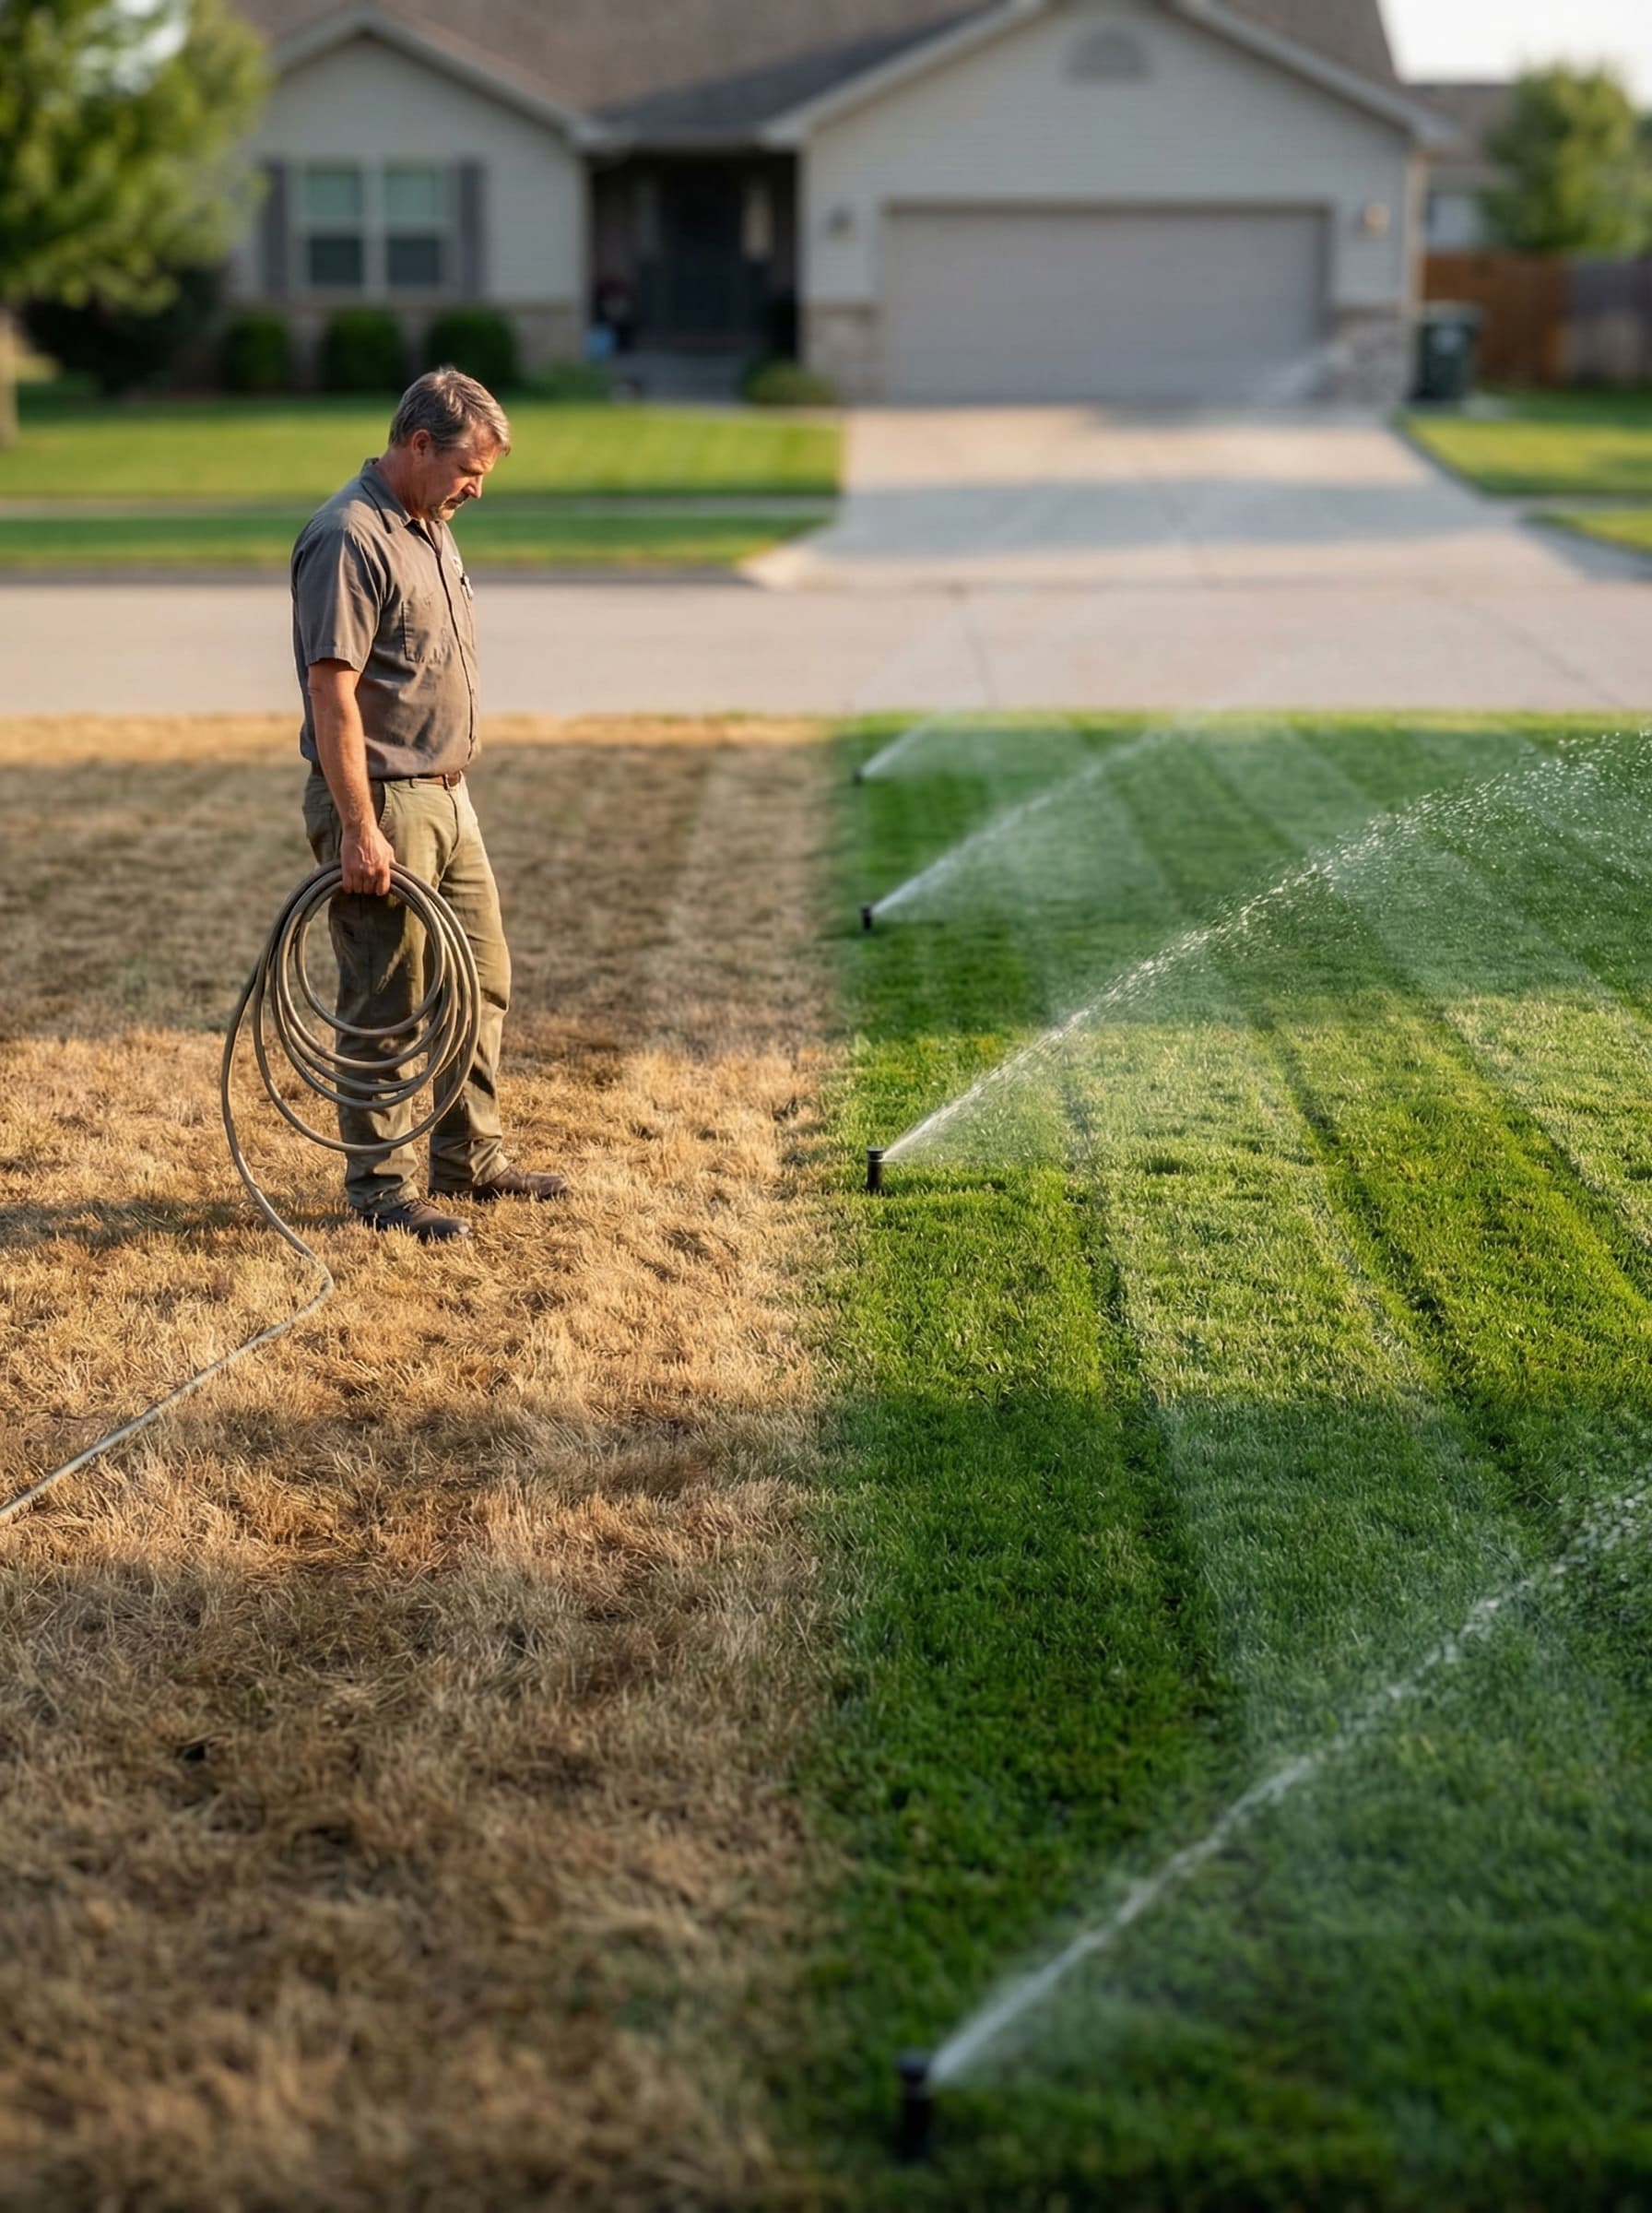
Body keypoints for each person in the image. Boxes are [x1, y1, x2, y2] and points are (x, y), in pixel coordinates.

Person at [291, 365, 566, 1245]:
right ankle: (381, 1191)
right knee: (389, 1000)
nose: (475, 489)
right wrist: (360, 828)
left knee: (481, 980)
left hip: (450, 793)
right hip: (385, 801)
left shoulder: (428, 525)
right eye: (468, 471)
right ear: (418, 446)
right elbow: (331, 694)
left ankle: (469, 1162)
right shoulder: (349, 537)